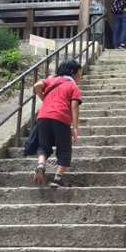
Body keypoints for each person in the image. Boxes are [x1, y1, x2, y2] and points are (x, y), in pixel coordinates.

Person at [32, 59, 83, 188]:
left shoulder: (51, 80)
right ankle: (57, 179)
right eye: (80, 72)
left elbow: (37, 85)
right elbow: (75, 107)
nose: (81, 76)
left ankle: (41, 164)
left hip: (43, 117)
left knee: (43, 145)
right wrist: (75, 127)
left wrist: (45, 100)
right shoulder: (73, 86)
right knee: (64, 149)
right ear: (72, 72)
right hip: (61, 117)